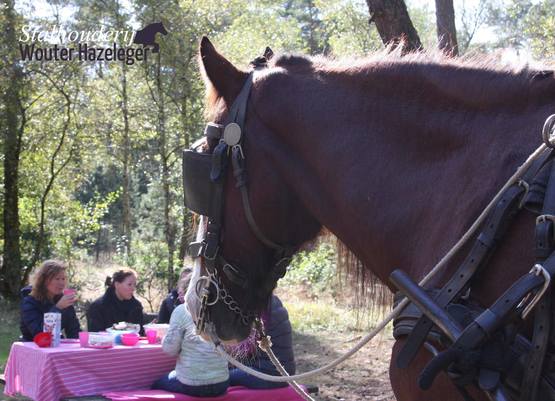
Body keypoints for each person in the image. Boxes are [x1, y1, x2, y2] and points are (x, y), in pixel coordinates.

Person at [152, 274, 229, 397]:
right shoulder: (223, 313)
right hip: (222, 383)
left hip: (191, 384)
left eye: (181, 291)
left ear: (188, 291)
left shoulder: (182, 310)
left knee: (155, 385)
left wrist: (164, 337)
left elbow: (170, 350)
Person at [229, 295, 295, 389]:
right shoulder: (272, 301)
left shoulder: (258, 309)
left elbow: (244, 348)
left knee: (221, 378)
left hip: (269, 375)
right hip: (284, 372)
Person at [20, 260, 80, 341]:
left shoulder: (63, 299)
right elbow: (39, 333)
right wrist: (58, 308)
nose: (61, 283)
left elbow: (74, 331)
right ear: (43, 280)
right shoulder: (29, 302)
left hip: (57, 346)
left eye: (63, 279)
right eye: (57, 279)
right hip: (33, 347)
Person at [86, 269, 144, 333]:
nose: (133, 288)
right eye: (129, 284)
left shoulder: (136, 306)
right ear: (117, 285)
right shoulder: (98, 307)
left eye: (134, 285)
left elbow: (140, 333)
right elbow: (95, 334)